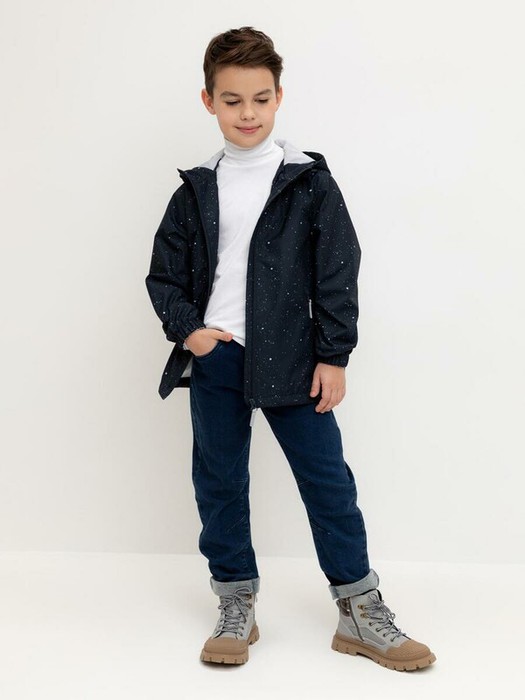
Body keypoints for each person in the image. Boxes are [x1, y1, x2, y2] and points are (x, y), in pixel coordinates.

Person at [145, 26, 436, 672]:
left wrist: (334, 355)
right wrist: (191, 331)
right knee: (219, 482)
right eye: (231, 100)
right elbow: (162, 276)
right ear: (208, 101)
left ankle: (359, 609)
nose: (246, 113)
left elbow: (337, 272)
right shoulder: (195, 190)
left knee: (327, 481)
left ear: (278, 97)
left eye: (259, 99)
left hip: (295, 359)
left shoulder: (309, 183)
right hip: (218, 357)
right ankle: (235, 603)